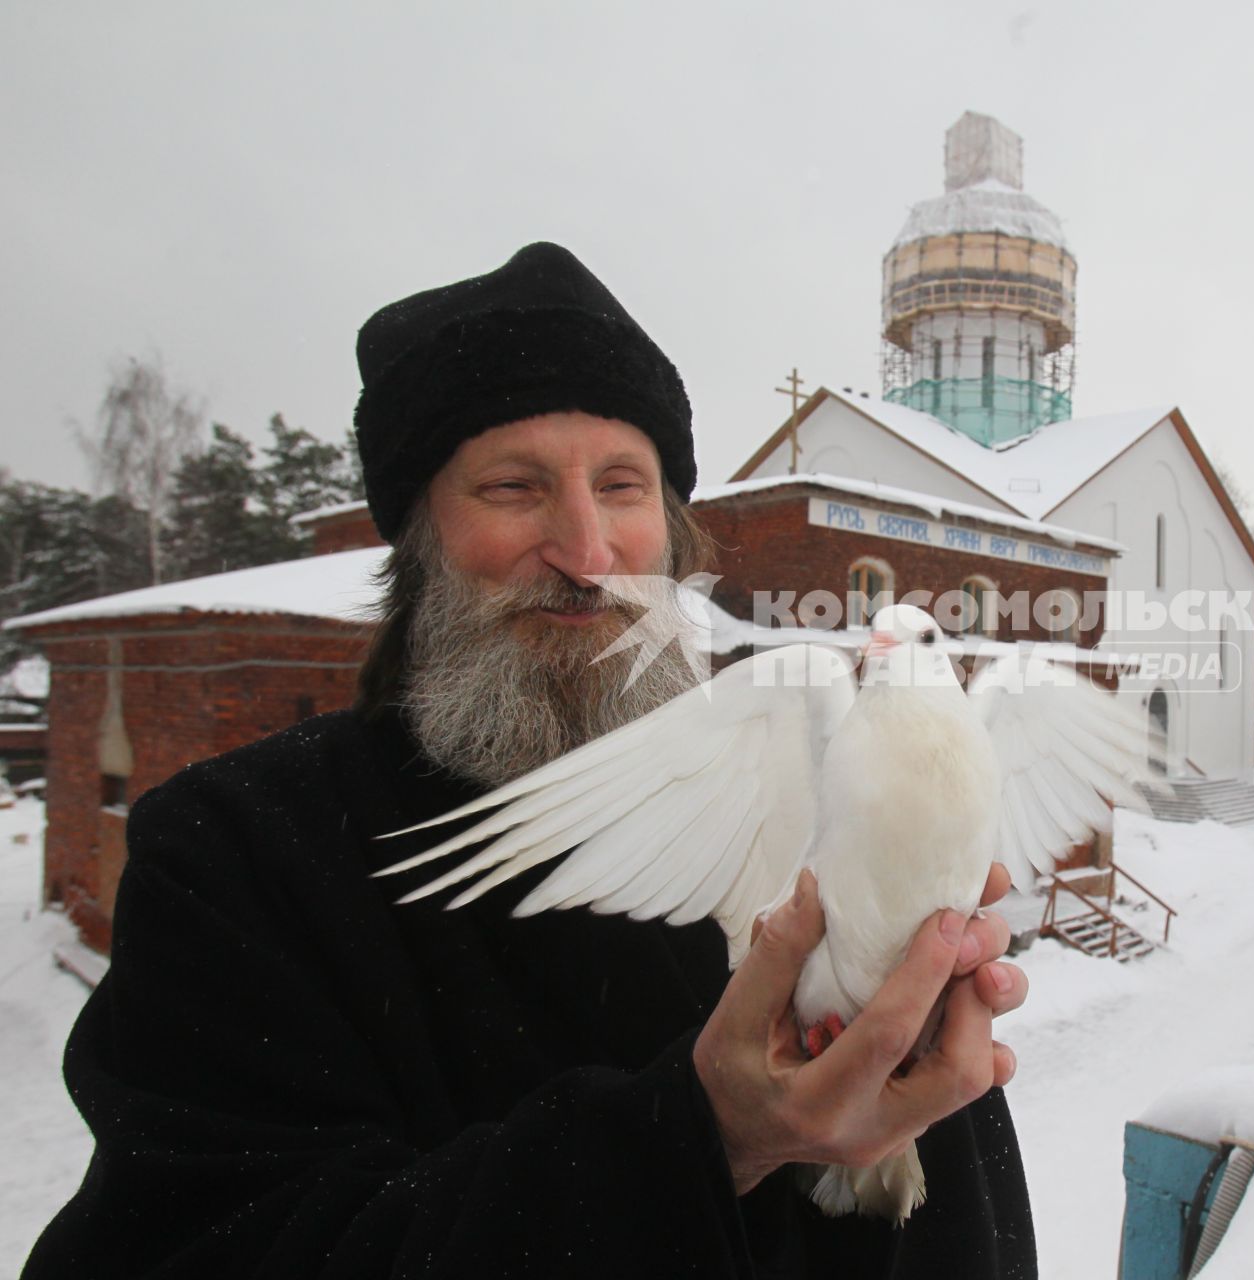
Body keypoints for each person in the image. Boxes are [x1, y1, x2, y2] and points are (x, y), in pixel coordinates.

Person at [25, 243, 1038, 1277]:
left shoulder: (813, 778)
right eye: (514, 486)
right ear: (418, 538)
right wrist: (706, 1138)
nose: (589, 550)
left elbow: (963, 1227)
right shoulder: (239, 850)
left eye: (624, 484)